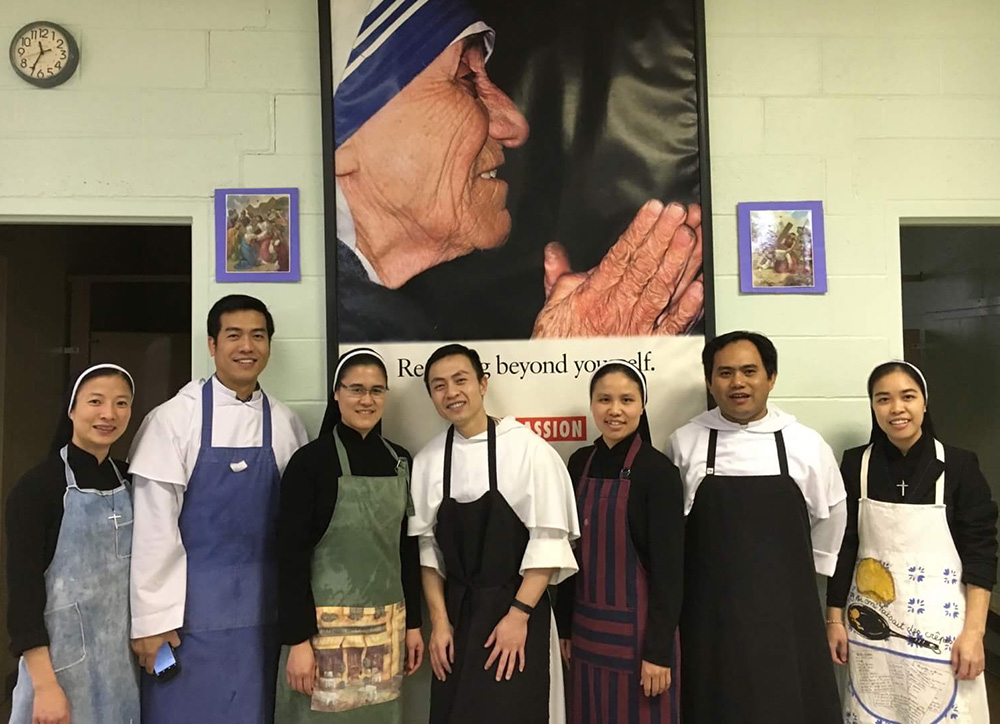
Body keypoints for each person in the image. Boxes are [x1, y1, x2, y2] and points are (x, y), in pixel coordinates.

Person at [331, 0, 704, 342]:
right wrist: (568, 365)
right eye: (466, 79)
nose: (514, 125)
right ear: (341, 139)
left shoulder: (365, 317)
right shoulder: (356, 322)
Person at [128, 294, 309, 724]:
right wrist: (152, 621)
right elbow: (154, 529)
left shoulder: (287, 424)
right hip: (186, 624)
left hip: (264, 621)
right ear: (212, 345)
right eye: (234, 336)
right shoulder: (173, 420)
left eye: (258, 336)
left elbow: (299, 531)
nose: (247, 346)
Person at [665, 331, 846, 724]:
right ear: (710, 382)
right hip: (709, 617)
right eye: (725, 373)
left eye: (749, 371)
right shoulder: (685, 443)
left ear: (771, 377)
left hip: (787, 613)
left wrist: (801, 573)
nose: (738, 383)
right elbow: (671, 531)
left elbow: (832, 518)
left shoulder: (806, 444)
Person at [409, 344, 580, 723]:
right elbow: (428, 551)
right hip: (456, 620)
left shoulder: (529, 451)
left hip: (517, 613)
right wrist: (439, 622)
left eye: (460, 380)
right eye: (439, 385)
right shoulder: (428, 460)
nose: (451, 392)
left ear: (483, 384)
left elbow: (548, 544)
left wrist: (518, 616)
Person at [826, 360, 997, 722]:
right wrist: (834, 618)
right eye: (883, 399)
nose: (896, 409)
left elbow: (981, 553)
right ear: (873, 406)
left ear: (924, 402)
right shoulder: (856, 464)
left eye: (907, 396)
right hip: (871, 628)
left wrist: (974, 633)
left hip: (945, 630)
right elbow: (845, 545)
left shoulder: (959, 466)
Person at [274, 348, 424, 722]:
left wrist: (415, 625)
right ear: (337, 394)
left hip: (386, 634)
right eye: (356, 389)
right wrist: (296, 640)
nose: (367, 400)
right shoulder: (309, 463)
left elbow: (407, 549)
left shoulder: (400, 461)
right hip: (322, 638)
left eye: (376, 390)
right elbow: (289, 556)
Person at [7, 364, 139, 724]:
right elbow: (24, 599)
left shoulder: (132, 481)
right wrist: (46, 687)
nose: (108, 414)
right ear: (72, 409)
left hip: (122, 673)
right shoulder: (38, 489)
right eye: (95, 401)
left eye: (121, 403)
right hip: (57, 674)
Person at [555, 360, 683, 723]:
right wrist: (564, 627)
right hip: (586, 633)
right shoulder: (579, 463)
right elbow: (569, 551)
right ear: (591, 403)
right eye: (604, 399)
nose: (615, 410)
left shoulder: (658, 472)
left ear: (642, 406)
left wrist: (658, 652)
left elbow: (669, 572)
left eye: (627, 400)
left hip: (641, 640)